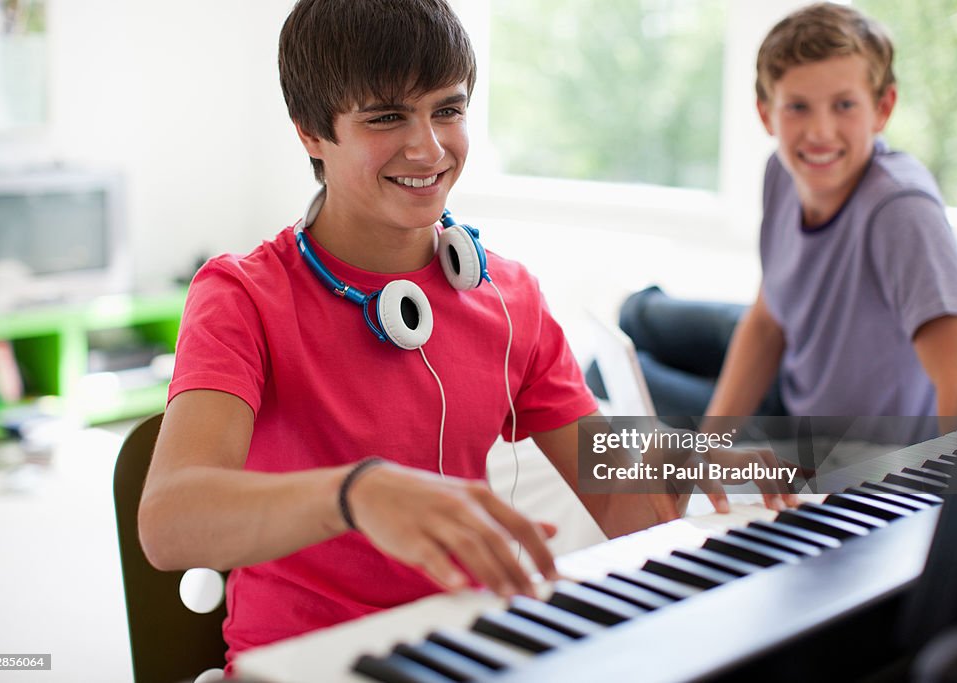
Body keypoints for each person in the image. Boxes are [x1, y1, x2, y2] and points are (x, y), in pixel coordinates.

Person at [137, 0, 797, 668]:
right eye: (387, 116)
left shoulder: (510, 298)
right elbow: (167, 521)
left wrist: (690, 463)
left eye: (447, 110)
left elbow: (621, 500)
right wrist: (355, 492)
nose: (428, 147)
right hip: (304, 663)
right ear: (311, 131)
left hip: (462, 650)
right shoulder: (242, 295)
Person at [613, 2, 957, 439]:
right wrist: (712, 443)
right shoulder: (781, 172)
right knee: (634, 316)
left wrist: (951, 499)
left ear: (883, 108)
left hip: (819, 437)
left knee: (606, 372)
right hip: (795, 349)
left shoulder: (900, 209)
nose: (820, 132)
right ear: (766, 113)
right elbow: (768, 321)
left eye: (844, 105)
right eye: (798, 107)